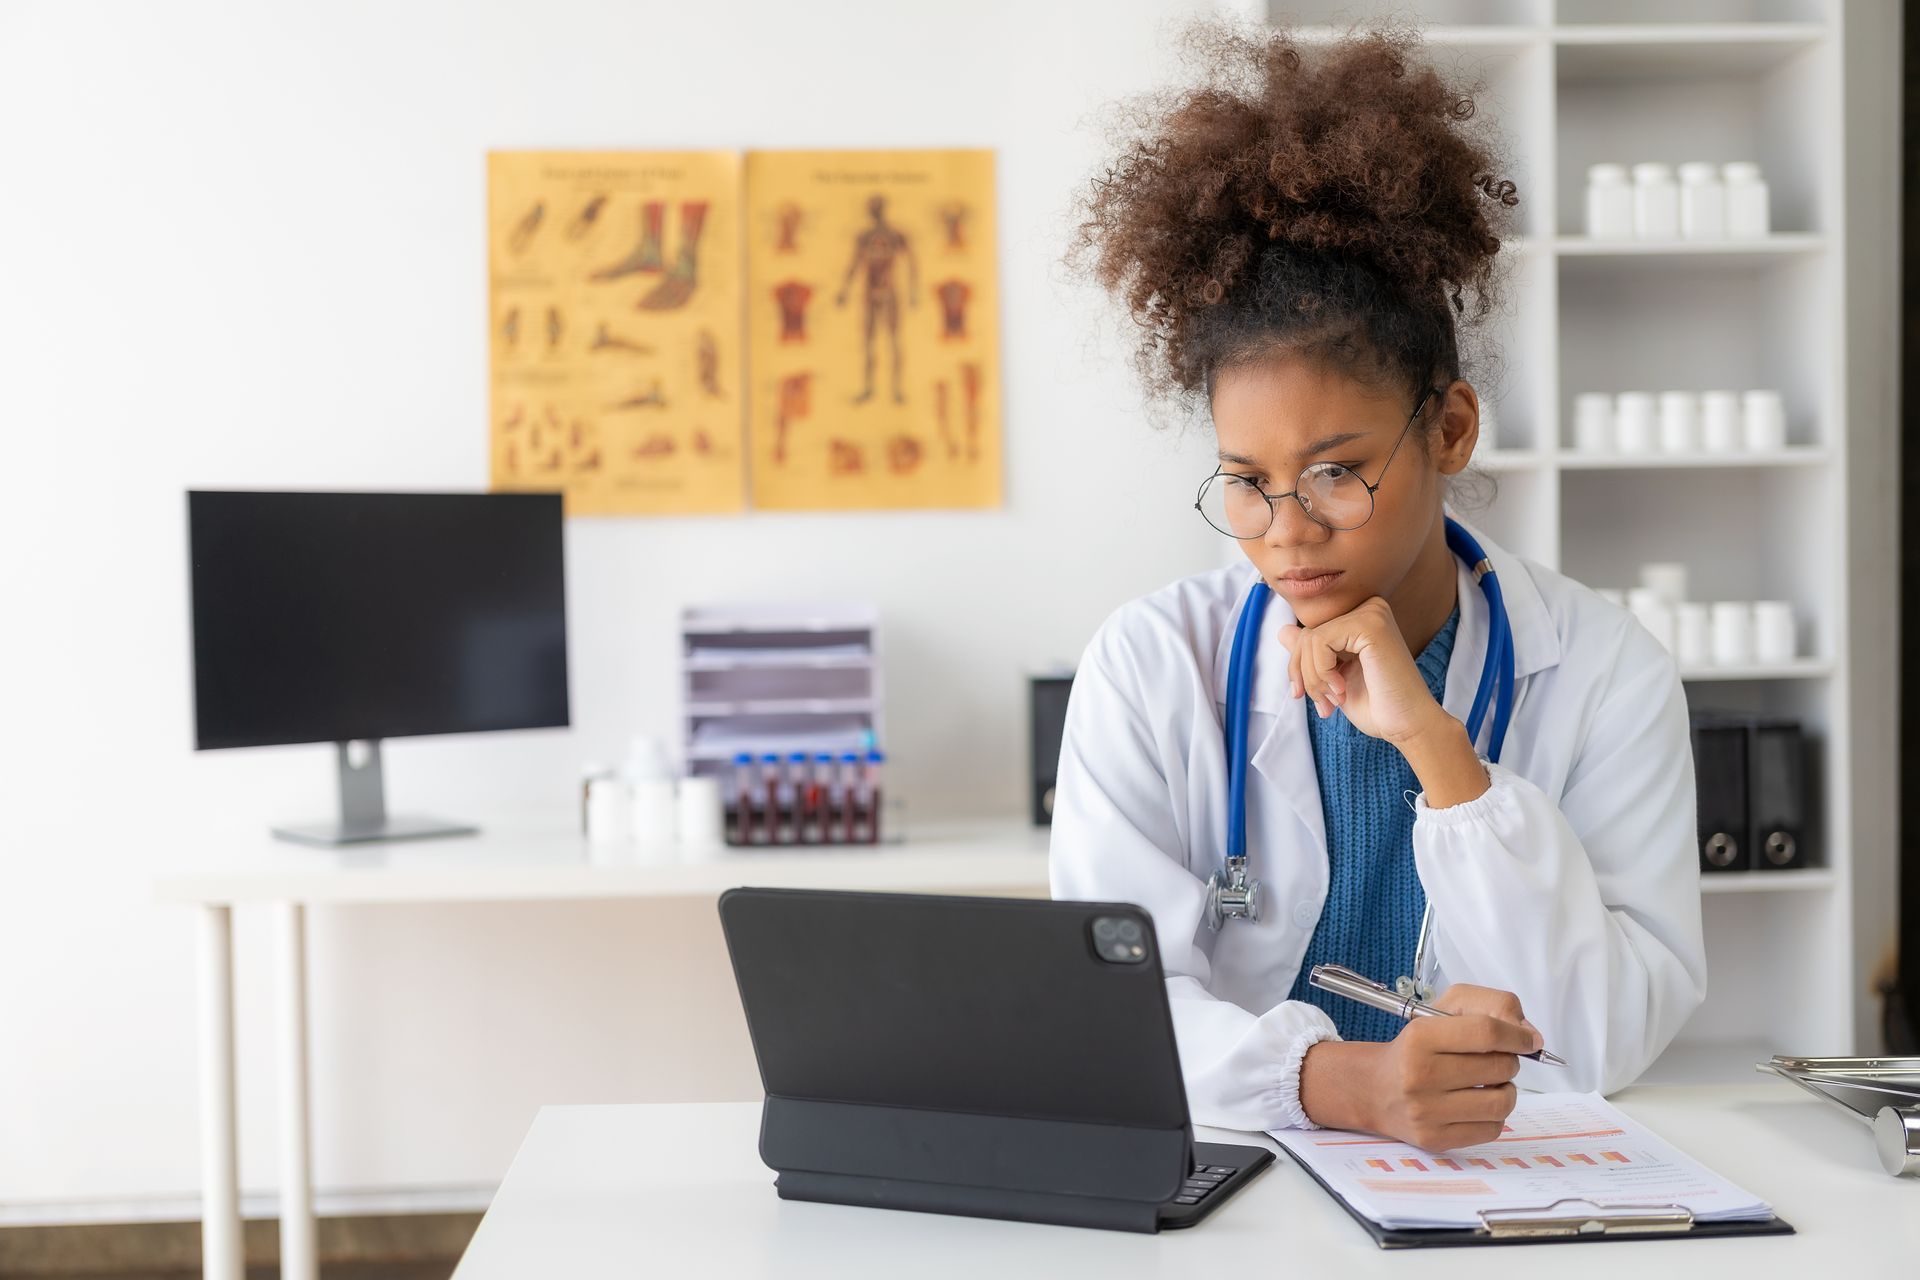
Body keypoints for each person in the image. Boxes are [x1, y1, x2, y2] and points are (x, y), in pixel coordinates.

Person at [1051, 23, 1706, 1152]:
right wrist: (1338, 1082)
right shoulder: (1152, 665)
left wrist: (1441, 755)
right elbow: (1111, 1011)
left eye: (1337, 473)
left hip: (1500, 1184)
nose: (1287, 532)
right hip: (1238, 1179)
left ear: (1449, 429)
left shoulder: (1605, 672)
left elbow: (1600, 1040)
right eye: (1248, 483)